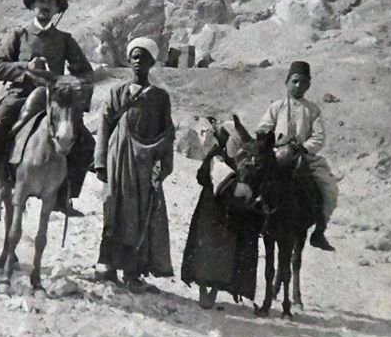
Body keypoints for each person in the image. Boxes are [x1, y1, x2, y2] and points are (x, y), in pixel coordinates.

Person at [0, 0, 95, 218]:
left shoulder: (65, 40)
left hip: (54, 100)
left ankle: (66, 196)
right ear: (33, 6)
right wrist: (25, 67)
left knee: (86, 143)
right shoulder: (19, 35)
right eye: (41, 1)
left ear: (57, 9)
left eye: (50, 2)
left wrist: (68, 84)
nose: (45, 6)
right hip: (20, 96)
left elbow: (85, 73)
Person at [93, 37, 175, 294]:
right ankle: (108, 266)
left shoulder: (160, 97)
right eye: (135, 57)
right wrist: (101, 163)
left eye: (144, 58)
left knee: (138, 216)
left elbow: (167, 133)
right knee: (113, 210)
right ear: (129, 61)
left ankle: (132, 272)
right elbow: (104, 127)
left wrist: (162, 165)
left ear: (152, 62)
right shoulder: (117, 93)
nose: (139, 62)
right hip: (118, 160)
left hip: (143, 167)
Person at [256, 60, 337, 251]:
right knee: (256, 178)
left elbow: (319, 136)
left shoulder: (313, 110)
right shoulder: (277, 106)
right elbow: (263, 128)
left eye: (303, 82)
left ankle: (319, 231)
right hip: (277, 154)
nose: (298, 85)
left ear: (308, 85)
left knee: (330, 187)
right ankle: (256, 221)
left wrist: (304, 147)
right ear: (287, 82)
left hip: (303, 156)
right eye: (295, 81)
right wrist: (271, 140)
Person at [181, 121, 260, 309]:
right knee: (212, 251)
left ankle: (210, 292)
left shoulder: (234, 158)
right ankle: (207, 291)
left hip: (222, 211)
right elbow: (201, 177)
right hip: (213, 209)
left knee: (218, 252)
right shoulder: (220, 157)